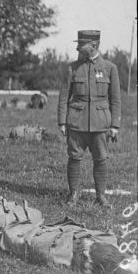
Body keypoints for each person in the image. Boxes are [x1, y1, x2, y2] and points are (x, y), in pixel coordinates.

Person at [57, 30, 121, 208]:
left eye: (82, 44)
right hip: (76, 122)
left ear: (93, 46)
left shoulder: (110, 68)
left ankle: (101, 196)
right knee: (74, 158)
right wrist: (62, 122)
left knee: (101, 159)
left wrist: (115, 125)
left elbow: (115, 99)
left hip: (101, 123)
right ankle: (73, 194)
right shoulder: (72, 68)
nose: (78, 47)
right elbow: (63, 97)